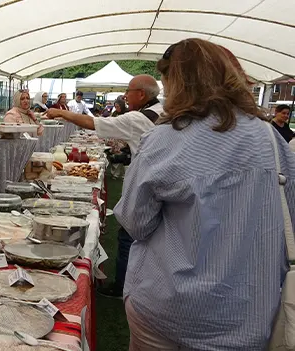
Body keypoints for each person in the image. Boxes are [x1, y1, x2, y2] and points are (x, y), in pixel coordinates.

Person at [117, 38, 290, 351]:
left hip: (167, 303)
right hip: (247, 310)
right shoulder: (272, 140)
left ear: (179, 83)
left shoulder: (166, 138)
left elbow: (135, 221)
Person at [47, 75, 163, 300]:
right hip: (159, 179)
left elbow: (93, 123)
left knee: (129, 235)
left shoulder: (138, 118)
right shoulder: (162, 112)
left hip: (145, 182)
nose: (125, 96)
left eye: (128, 91)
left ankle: (123, 286)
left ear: (141, 94)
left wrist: (61, 112)